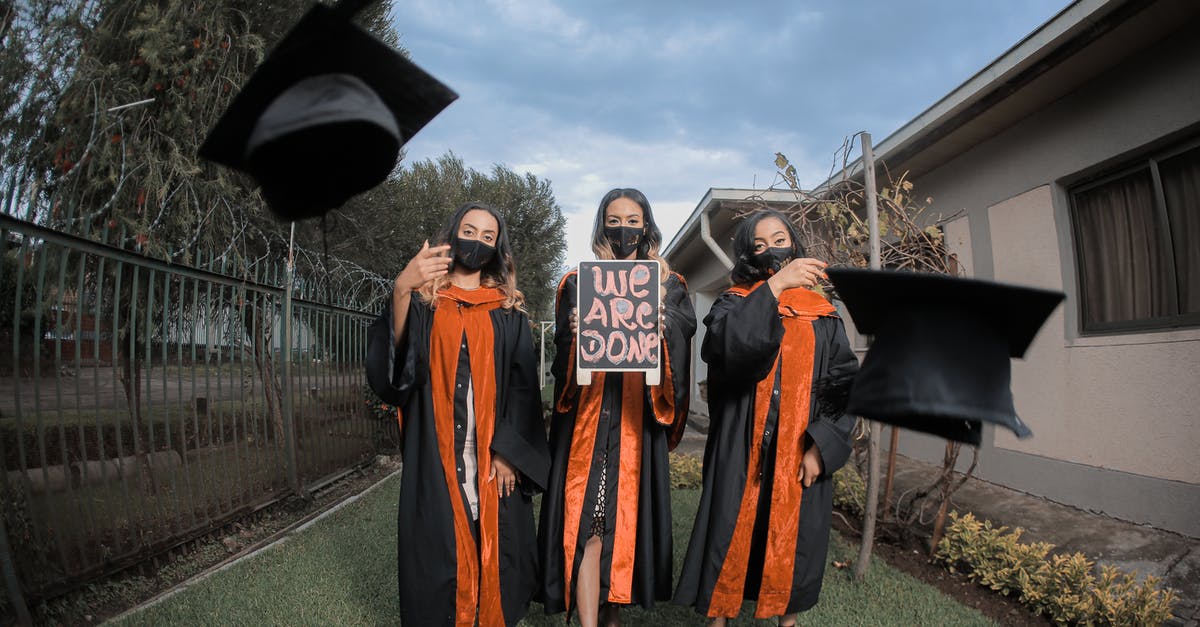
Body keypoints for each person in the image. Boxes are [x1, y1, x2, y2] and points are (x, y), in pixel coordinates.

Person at [366, 202, 550, 627]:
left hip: (492, 452)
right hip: (437, 453)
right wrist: (401, 289)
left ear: (497, 248)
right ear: (453, 236)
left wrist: (508, 450)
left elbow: (524, 388)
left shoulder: (507, 311)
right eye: (470, 231)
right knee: (441, 545)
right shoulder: (426, 303)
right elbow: (397, 369)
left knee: (497, 545)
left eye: (488, 237)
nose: (478, 242)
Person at [674, 210, 859, 626]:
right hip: (741, 448)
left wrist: (822, 445)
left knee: (790, 551)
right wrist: (775, 285)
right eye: (760, 245)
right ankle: (719, 616)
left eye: (780, 240)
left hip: (797, 454)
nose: (772, 250)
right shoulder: (732, 304)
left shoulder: (824, 314)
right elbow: (726, 349)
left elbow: (843, 384)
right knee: (728, 540)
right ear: (749, 257)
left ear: (795, 245)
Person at [537, 188, 697, 627]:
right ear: (601, 225)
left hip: (635, 427)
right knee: (589, 526)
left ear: (647, 225)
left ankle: (611, 619)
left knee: (622, 533)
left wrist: (664, 326)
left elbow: (683, 336)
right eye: (614, 219)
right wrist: (572, 333)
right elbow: (561, 363)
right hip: (588, 426)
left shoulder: (667, 284)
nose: (623, 229)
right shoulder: (577, 281)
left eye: (633, 220)